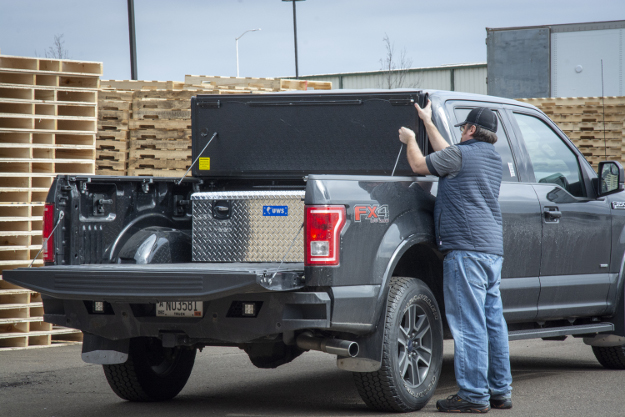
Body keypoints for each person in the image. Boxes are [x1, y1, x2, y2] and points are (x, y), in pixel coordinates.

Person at [398, 101, 513, 413]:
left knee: (469, 325)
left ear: (472, 130)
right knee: (493, 323)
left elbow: (421, 166)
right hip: (491, 253)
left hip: (466, 252)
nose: (461, 131)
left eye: (464, 127)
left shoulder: (461, 155)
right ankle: (500, 391)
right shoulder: (491, 158)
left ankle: (474, 396)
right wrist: (428, 120)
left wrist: (410, 139)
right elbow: (447, 152)